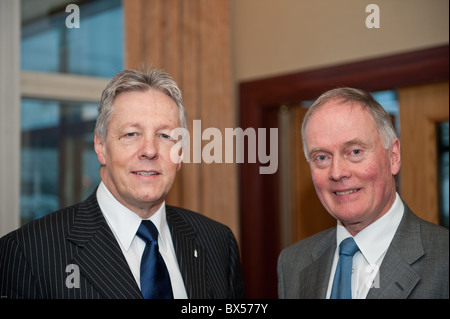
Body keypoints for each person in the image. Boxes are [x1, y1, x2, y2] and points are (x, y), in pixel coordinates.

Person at [0, 68, 245, 299]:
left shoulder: (218, 242)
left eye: (165, 136)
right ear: (100, 147)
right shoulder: (27, 253)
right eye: (131, 134)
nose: (149, 150)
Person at [277, 87, 449, 299]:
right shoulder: (293, 263)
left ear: (393, 156)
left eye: (355, 152)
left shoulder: (444, 259)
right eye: (322, 157)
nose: (337, 173)